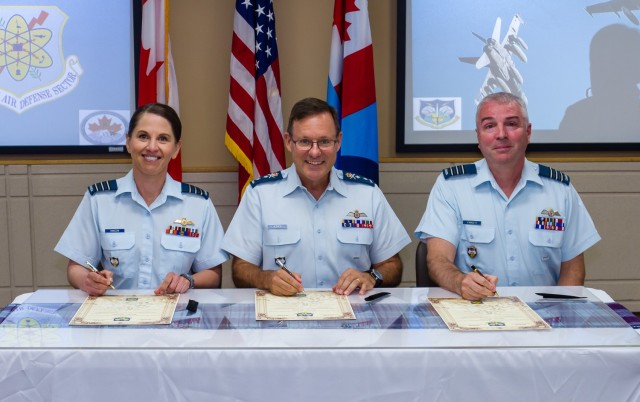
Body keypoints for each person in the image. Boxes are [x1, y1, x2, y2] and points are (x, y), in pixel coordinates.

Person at [415, 92, 601, 300]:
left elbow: (572, 270)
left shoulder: (560, 190)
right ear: (478, 136)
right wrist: (460, 282)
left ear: (528, 132)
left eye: (511, 124)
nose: (501, 134)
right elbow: (438, 260)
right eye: (489, 126)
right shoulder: (451, 187)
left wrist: (561, 319)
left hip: (544, 317)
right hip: (474, 312)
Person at [222, 97, 410, 296]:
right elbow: (240, 269)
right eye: (304, 141)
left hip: (353, 318)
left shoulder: (367, 194)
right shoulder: (259, 194)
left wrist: (371, 277)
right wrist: (266, 279)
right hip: (282, 318)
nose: (314, 152)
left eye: (324, 141)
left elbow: (392, 265)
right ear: (288, 142)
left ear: (338, 142)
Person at [55, 103, 228, 296]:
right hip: (115, 317)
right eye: (143, 136)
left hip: (176, 316)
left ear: (176, 148)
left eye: (163, 139)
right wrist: (88, 281)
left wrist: (188, 281)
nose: (152, 147)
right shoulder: (99, 199)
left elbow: (214, 272)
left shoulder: (198, 203)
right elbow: (76, 266)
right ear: (128, 142)